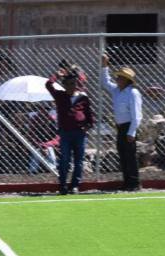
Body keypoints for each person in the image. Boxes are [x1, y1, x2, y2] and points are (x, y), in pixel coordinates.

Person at [46, 69, 94, 194]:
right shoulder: (60, 96)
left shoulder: (83, 98)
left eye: (73, 83)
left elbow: (89, 115)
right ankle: (62, 185)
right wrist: (56, 76)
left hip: (79, 133)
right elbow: (48, 85)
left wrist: (87, 126)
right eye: (67, 84)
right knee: (65, 159)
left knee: (78, 160)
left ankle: (74, 185)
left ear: (76, 84)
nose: (71, 86)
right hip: (65, 133)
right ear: (64, 85)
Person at [100, 54, 142, 191]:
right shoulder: (117, 91)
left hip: (129, 127)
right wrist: (104, 66)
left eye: (119, 77)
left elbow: (137, 115)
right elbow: (105, 82)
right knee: (123, 155)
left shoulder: (133, 93)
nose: (117, 78)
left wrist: (132, 132)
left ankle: (135, 183)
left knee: (130, 156)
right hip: (120, 127)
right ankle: (127, 182)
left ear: (126, 80)